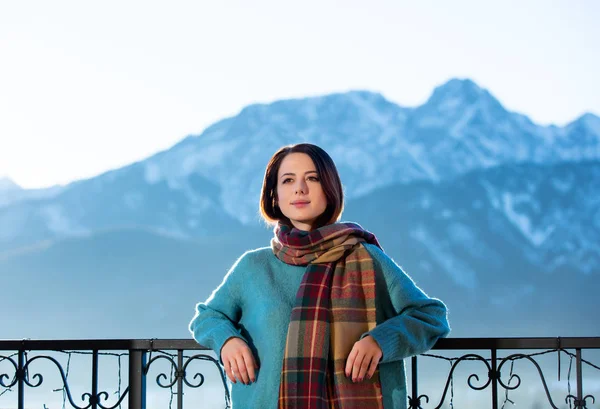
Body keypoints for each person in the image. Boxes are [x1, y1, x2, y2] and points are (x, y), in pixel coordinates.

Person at [189, 143, 450, 409]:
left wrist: (381, 341)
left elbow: (430, 315)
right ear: (275, 195)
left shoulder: (365, 258)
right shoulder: (253, 267)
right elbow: (207, 317)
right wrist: (227, 340)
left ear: (329, 189)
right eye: (288, 180)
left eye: (312, 178)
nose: (299, 188)